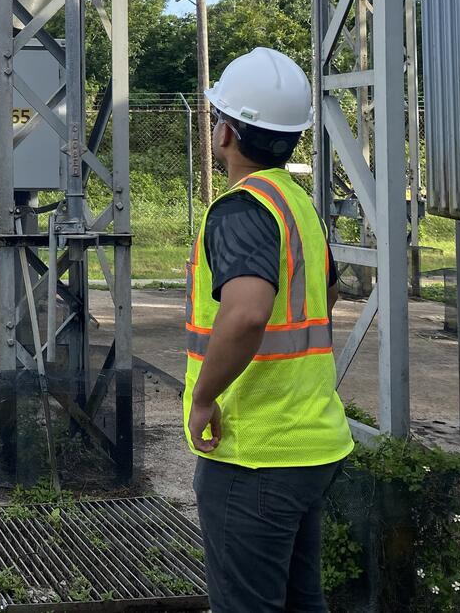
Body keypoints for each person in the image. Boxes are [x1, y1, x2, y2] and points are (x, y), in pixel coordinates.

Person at [184, 47, 354, 613]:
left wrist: (205, 398)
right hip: (312, 442)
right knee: (301, 602)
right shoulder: (298, 206)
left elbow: (249, 312)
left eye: (215, 118)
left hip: (256, 451)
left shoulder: (239, 211)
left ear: (227, 134)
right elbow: (325, 295)